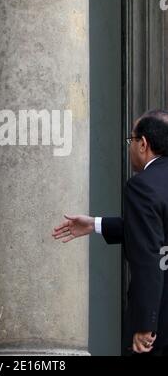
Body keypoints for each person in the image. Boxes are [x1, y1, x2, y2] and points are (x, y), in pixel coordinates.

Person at [52, 110, 168, 356]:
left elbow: (149, 256)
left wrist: (146, 323)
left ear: (143, 144)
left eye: (131, 140)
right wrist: (95, 224)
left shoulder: (143, 185)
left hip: (161, 323)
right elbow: (157, 230)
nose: (130, 147)